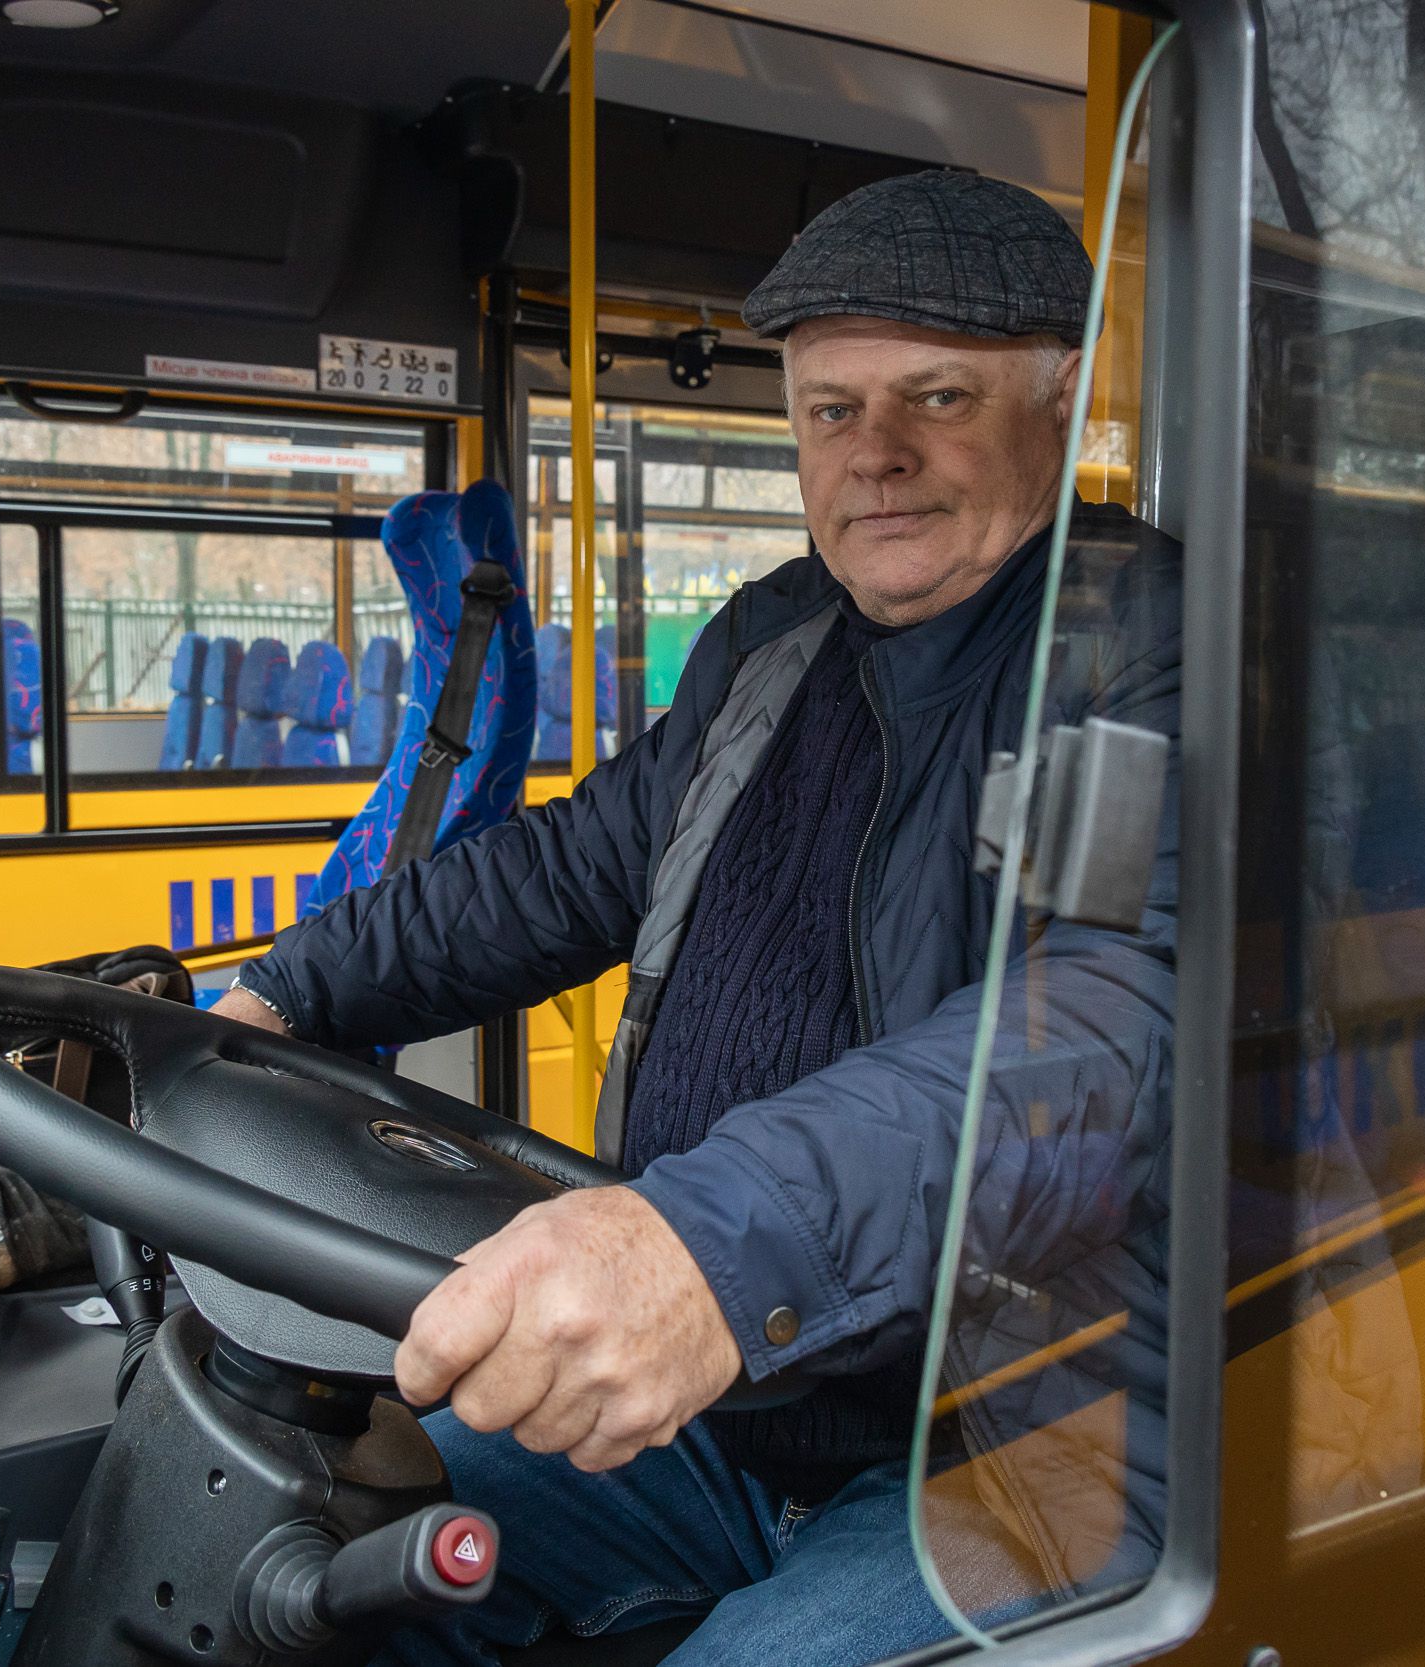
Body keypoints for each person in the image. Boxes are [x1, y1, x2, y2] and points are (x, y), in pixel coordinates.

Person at [216, 168, 1181, 1665]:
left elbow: (1109, 1027)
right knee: (313, 1534)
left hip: (1013, 1450)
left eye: (937, 397)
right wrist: (289, 993)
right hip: (722, 1424)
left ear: (1061, 402)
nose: (878, 457)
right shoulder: (774, 642)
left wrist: (712, 1248)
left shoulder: (1147, 646)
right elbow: (568, 870)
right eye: (831, 411)